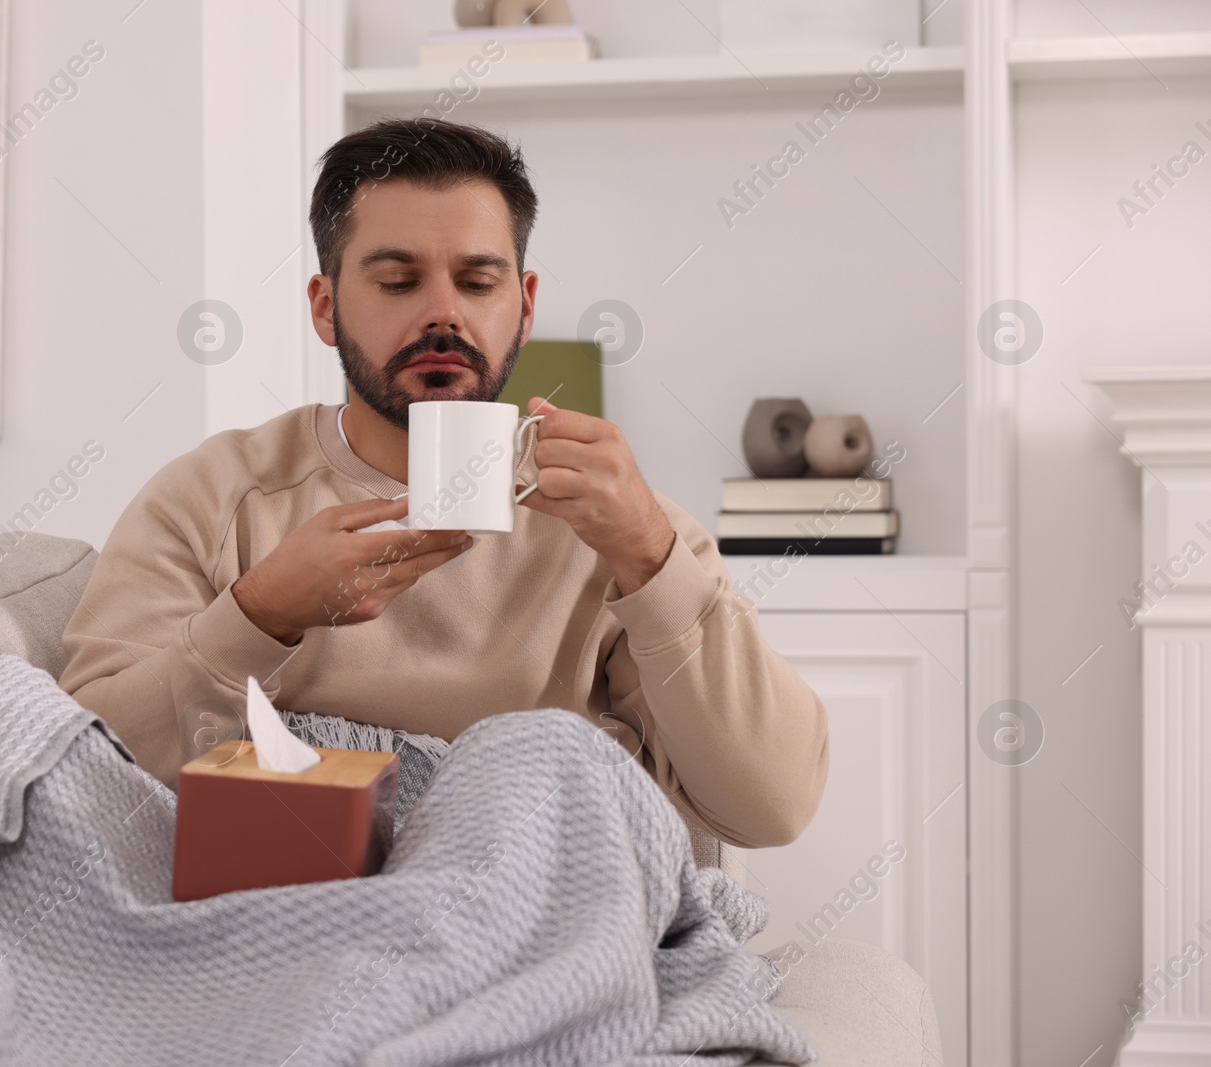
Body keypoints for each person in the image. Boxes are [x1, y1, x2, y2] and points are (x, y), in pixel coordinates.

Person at [60, 117, 828, 849]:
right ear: (326, 309)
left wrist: (653, 558)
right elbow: (82, 777)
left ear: (524, 308)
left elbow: (773, 806)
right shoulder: (211, 498)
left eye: (476, 281)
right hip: (293, 907)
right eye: (398, 281)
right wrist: (258, 616)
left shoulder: (618, 524)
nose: (443, 314)